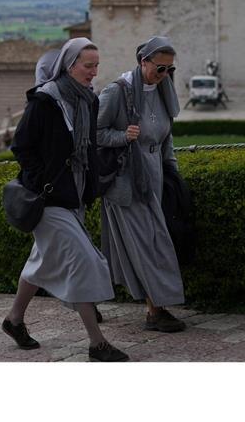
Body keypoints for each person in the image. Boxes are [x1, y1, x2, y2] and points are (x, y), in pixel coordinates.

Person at [2, 39, 127, 362]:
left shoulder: (88, 101)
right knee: (83, 262)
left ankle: (14, 320)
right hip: (48, 200)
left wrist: (91, 187)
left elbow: (89, 147)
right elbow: (22, 147)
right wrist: (43, 181)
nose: (94, 72)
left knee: (40, 261)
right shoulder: (45, 101)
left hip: (74, 195)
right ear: (70, 65)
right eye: (88, 66)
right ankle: (97, 343)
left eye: (97, 65)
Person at [96, 35, 187, 333]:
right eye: (159, 68)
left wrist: (172, 174)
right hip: (126, 184)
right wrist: (123, 137)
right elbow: (92, 135)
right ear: (142, 62)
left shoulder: (162, 91)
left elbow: (165, 137)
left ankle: (88, 298)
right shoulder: (116, 92)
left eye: (169, 70)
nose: (164, 75)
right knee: (147, 245)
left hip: (155, 181)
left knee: (152, 242)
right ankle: (155, 310)